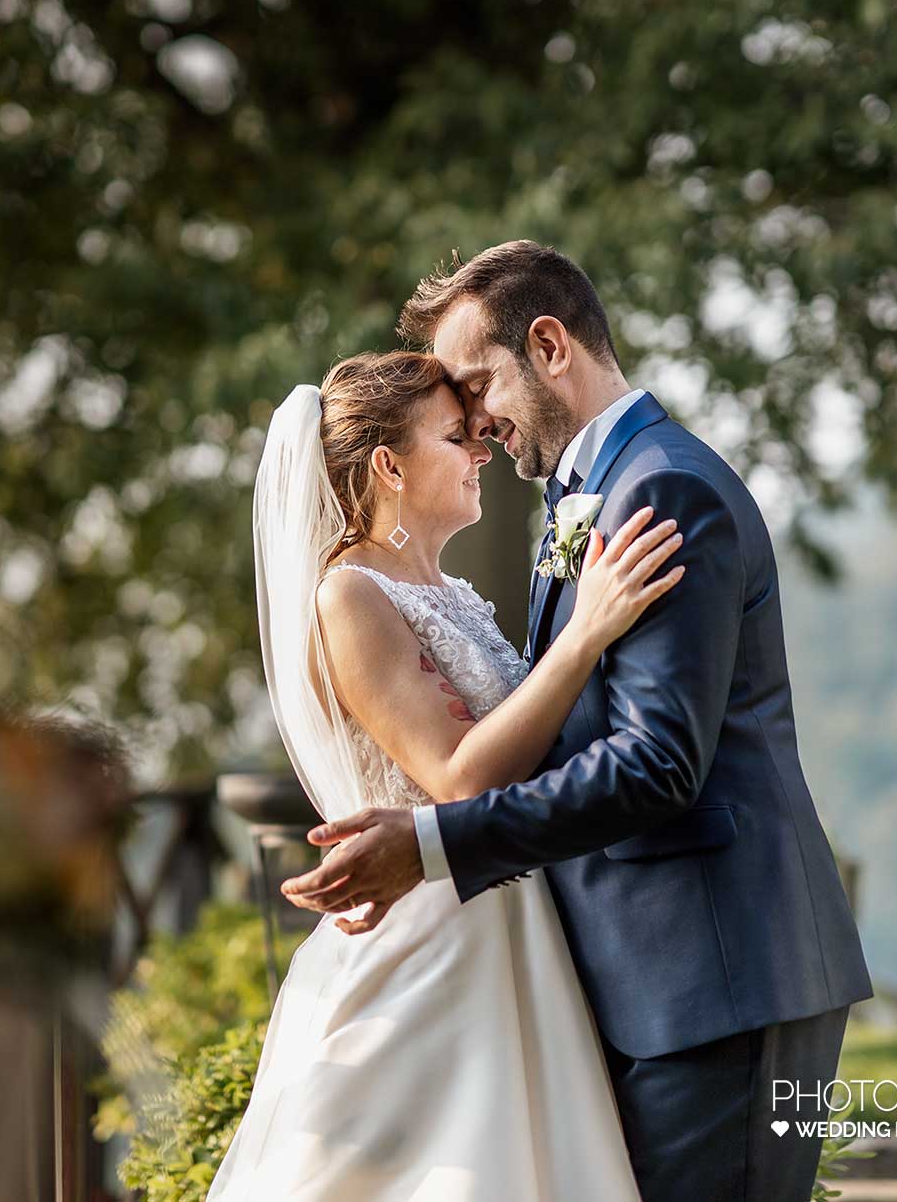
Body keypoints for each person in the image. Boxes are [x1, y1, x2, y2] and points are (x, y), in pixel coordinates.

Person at [280, 241, 873, 1202]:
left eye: (479, 385)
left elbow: (655, 763)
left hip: (714, 973)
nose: (477, 423)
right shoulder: (584, 496)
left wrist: (433, 845)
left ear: (548, 345)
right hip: (642, 980)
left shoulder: (658, 489)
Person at [213, 348, 682, 1200]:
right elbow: (459, 776)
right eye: (457, 436)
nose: (483, 450)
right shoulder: (348, 594)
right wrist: (584, 637)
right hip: (429, 943)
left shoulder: (449, 589)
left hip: (508, 920)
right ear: (389, 464)